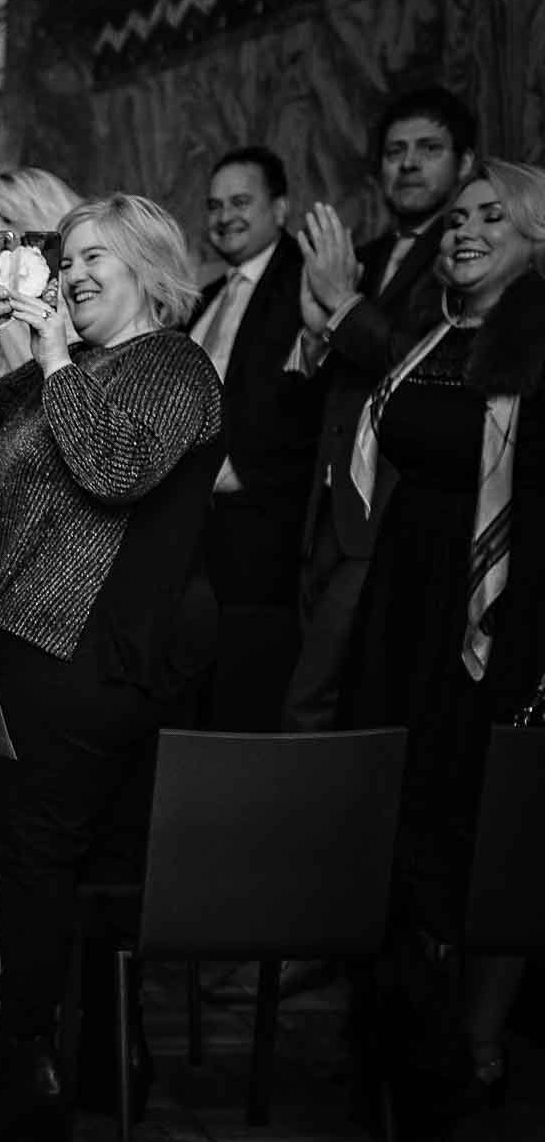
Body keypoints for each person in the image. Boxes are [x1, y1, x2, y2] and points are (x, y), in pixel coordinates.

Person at [0, 193, 223, 1142]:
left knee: (39, 863)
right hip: (32, 650)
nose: (70, 273)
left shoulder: (174, 366)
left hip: (82, 660)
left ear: (152, 267)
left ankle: (32, 1083)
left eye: (94, 257)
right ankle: (106, 1066)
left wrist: (55, 356)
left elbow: (111, 467)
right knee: (68, 862)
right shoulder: (89, 366)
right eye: (65, 258)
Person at [340, 160, 545, 1123]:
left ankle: (481, 1043)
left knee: (478, 822)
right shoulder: (433, 332)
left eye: (490, 216)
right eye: (457, 217)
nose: (463, 230)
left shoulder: (540, 344)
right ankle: (400, 1026)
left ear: (538, 236)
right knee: (399, 809)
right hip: (402, 605)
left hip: (500, 614)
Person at [284, 88, 479, 732]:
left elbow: (421, 371)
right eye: (396, 152)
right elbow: (321, 394)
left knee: (320, 704)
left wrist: (343, 307)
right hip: (325, 514)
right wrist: (316, 334)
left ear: (467, 164)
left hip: (392, 513)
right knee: (325, 696)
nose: (409, 164)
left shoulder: (465, 263)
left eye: (429, 149)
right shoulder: (358, 258)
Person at [187, 147, 327, 728]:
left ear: (281, 206)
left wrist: (242, 471)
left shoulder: (307, 281)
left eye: (241, 202)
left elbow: (310, 395)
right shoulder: (210, 293)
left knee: (249, 696)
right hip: (197, 529)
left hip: (264, 526)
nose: (225, 216)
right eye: (215, 205)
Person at [0, 167, 84, 377]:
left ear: (43, 215)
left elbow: (37, 381)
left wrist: (1, 315)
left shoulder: (70, 286)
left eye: (7, 220)